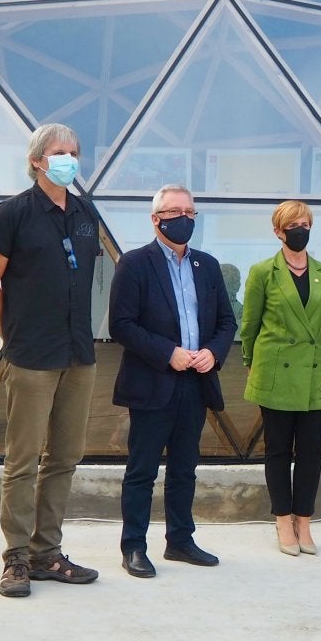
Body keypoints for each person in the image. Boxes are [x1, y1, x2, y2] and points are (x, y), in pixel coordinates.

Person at [0, 123, 101, 599]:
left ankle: (47, 551)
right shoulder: (11, 214)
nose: (68, 158)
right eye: (58, 152)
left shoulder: (86, 213)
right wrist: (14, 336)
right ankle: (16, 558)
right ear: (36, 161)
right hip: (32, 355)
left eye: (74, 151)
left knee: (64, 457)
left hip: (78, 353)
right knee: (23, 459)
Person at [110, 184, 237, 578]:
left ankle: (180, 540)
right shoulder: (134, 264)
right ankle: (134, 546)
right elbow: (121, 325)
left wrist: (212, 353)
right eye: (174, 211)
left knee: (185, 468)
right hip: (153, 382)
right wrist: (169, 352)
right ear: (156, 219)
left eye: (189, 212)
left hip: (196, 383)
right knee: (142, 469)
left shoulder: (207, 265)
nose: (183, 218)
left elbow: (226, 321)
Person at [239, 201, 321, 556]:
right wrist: (252, 365)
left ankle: (304, 519)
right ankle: (283, 519)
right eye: (293, 225)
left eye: (306, 223)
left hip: (317, 377)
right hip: (277, 374)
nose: (301, 229)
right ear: (278, 232)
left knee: (312, 452)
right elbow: (250, 326)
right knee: (278, 450)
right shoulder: (262, 273)